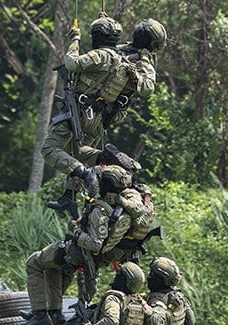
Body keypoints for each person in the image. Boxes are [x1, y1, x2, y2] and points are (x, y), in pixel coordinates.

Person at [45, 18, 164, 216]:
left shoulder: (142, 61)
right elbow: (109, 50)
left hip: (94, 110)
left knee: (51, 149)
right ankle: (74, 191)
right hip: (99, 113)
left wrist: (76, 39)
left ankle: (93, 169)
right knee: (78, 152)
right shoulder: (122, 51)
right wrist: (106, 25)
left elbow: (147, 89)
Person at [20, 165, 138, 325]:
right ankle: (54, 313)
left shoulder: (101, 210)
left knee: (33, 262)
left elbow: (95, 243)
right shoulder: (124, 208)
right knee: (54, 268)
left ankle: (39, 314)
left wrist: (76, 230)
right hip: (94, 257)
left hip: (79, 252)